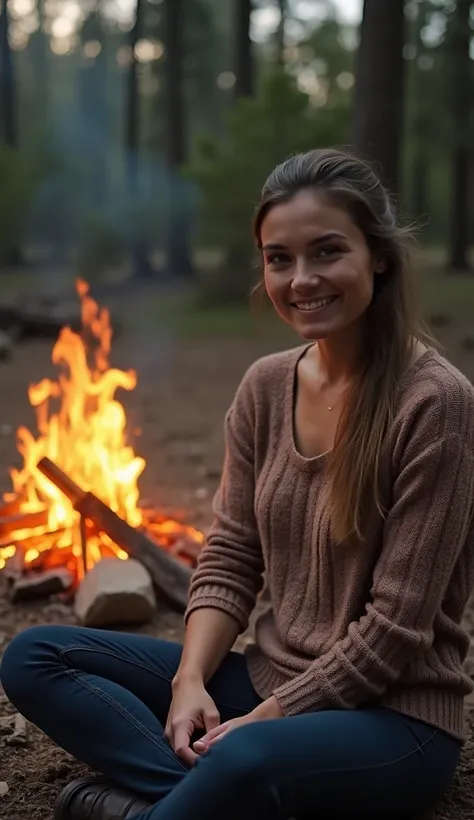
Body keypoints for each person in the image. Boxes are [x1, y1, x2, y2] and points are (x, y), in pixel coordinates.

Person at [2, 148, 474, 820]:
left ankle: (163, 805)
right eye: (279, 258)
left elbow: (396, 629)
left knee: (245, 760)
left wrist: (273, 718)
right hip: (263, 679)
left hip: (393, 720)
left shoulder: (438, 404)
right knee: (36, 656)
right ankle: (208, 798)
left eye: (326, 252)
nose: (301, 279)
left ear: (379, 256)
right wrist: (188, 682)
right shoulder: (264, 386)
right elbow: (231, 554)